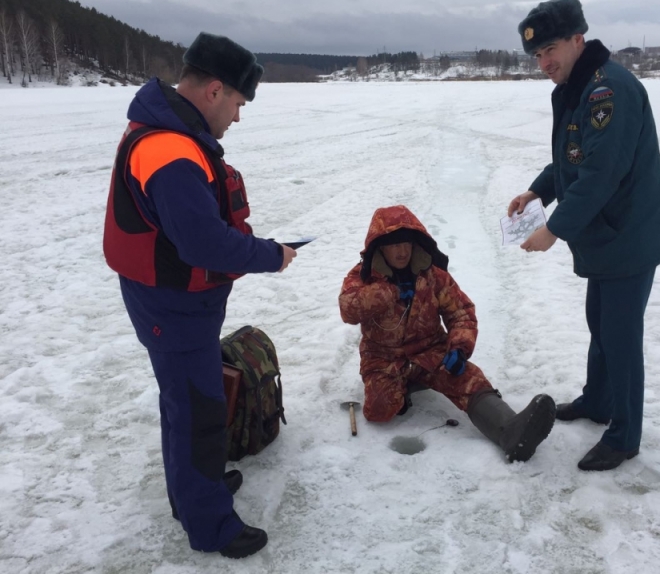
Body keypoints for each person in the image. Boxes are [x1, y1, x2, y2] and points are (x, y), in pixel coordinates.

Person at [103, 32, 296, 558]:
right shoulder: (170, 150)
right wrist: (271, 255)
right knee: (199, 413)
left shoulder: (164, 131)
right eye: (236, 102)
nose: (237, 117)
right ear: (214, 90)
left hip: (168, 302)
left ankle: (190, 492)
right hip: (173, 308)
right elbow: (203, 242)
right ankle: (209, 525)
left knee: (183, 404)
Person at [509, 0, 660, 471]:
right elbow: (573, 157)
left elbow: (602, 174)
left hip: (629, 237)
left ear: (578, 39)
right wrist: (537, 192)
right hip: (608, 236)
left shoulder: (609, 91)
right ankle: (598, 401)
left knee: (621, 337)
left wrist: (554, 230)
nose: (543, 62)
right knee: (600, 325)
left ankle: (624, 435)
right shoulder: (579, 85)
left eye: (550, 49)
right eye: (537, 55)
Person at [339, 205, 556, 462]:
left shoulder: (432, 274)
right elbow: (348, 309)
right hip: (382, 357)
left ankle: (509, 430)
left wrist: (459, 347)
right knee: (379, 410)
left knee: (468, 378)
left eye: (406, 243)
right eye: (394, 245)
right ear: (380, 247)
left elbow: (461, 312)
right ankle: (405, 384)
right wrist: (391, 292)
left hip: (430, 350)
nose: (402, 251)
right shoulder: (363, 275)